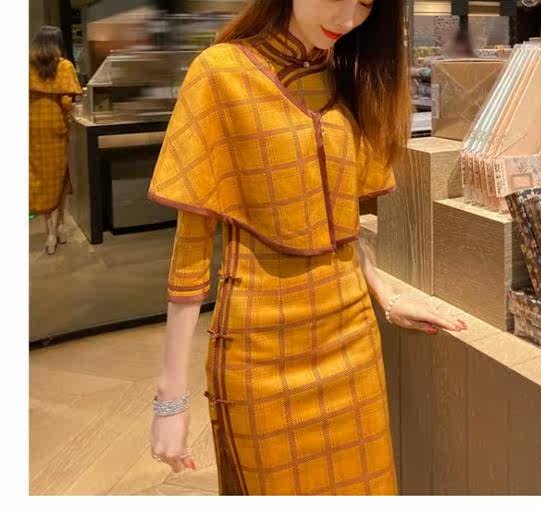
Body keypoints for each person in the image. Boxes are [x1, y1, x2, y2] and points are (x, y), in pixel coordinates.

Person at [148, 0, 468, 495]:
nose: (347, 19)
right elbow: (191, 248)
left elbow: (341, 222)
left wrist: (386, 295)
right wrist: (171, 397)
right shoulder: (219, 73)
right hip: (260, 350)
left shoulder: (350, 75)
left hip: (352, 339)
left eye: (365, 3)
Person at [29, 25, 82, 254]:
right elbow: (67, 102)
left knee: (41, 177)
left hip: (32, 127)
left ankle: (49, 232)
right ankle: (60, 226)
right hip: (56, 127)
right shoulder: (64, 66)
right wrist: (73, 112)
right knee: (60, 175)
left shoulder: (27, 65)